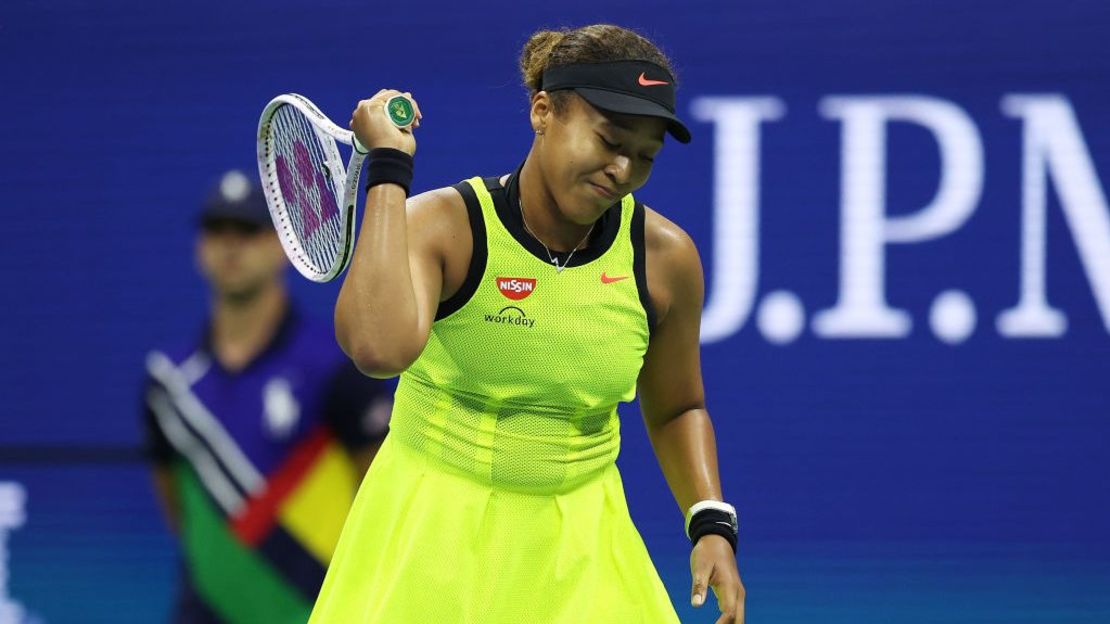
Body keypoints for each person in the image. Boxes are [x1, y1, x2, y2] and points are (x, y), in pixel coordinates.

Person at [314, 24, 746, 624]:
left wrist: (710, 522)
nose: (622, 169)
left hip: (582, 546)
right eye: (609, 140)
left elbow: (679, 408)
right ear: (543, 111)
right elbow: (376, 348)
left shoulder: (666, 259)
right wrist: (389, 169)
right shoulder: (445, 226)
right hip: (427, 533)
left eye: (644, 156)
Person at [141, 170, 394, 623]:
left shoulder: (336, 369)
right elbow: (179, 508)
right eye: (218, 231)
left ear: (283, 246)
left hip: (316, 611)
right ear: (200, 249)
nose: (232, 246)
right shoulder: (169, 385)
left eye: (249, 231)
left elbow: (383, 494)